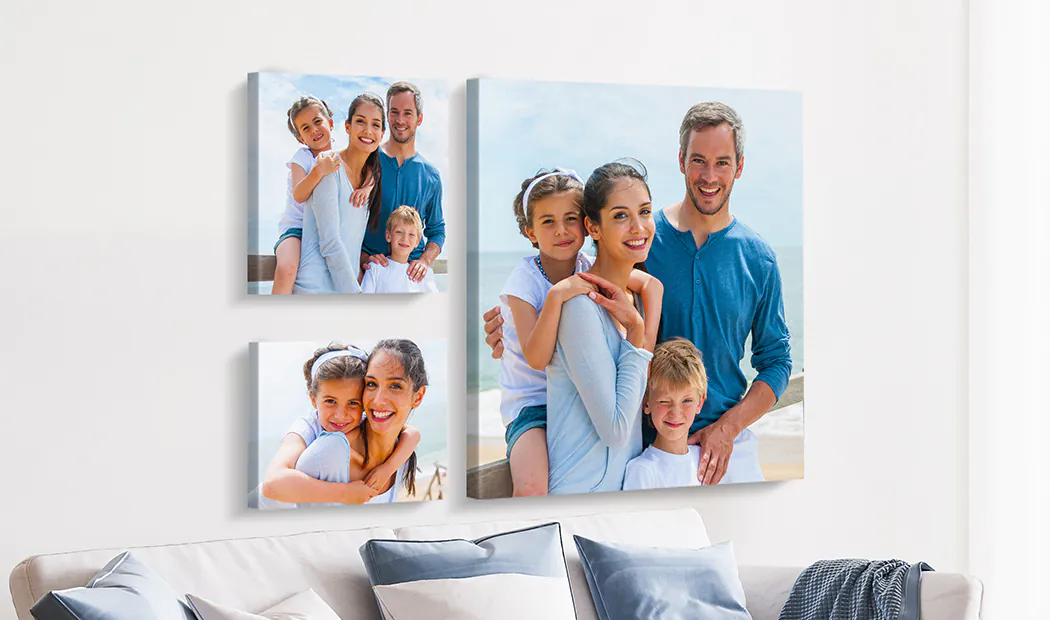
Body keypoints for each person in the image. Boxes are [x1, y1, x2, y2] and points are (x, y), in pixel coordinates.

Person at [645, 101, 791, 485]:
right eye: (698, 160)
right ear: (680, 161)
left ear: (739, 166)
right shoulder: (643, 241)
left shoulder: (759, 259)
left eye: (722, 162)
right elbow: (585, 292)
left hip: (730, 452)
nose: (709, 176)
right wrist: (510, 324)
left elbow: (776, 362)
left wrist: (727, 428)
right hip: (651, 450)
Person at [498, 168, 662, 497]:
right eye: (547, 222)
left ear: (585, 225)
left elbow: (650, 284)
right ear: (530, 231)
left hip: (569, 400)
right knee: (531, 487)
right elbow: (536, 358)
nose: (562, 231)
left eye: (570, 218)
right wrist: (557, 296)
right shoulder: (525, 282)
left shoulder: (586, 267)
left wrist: (642, 340)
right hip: (530, 403)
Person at [545, 160, 656, 495]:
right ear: (593, 228)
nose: (638, 227)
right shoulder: (581, 307)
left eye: (645, 212)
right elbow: (615, 430)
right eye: (621, 216)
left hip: (618, 500)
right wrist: (636, 332)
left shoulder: (629, 299)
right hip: (581, 499)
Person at [257, 344, 419, 508]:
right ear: (313, 399)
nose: (341, 415)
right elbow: (272, 485)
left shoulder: (362, 421)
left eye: (353, 403)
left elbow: (412, 433)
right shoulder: (306, 427)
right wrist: (345, 492)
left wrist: (387, 468)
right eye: (330, 401)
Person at [623, 338, 762, 491]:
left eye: (687, 400)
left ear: (700, 403)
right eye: (664, 401)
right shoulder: (642, 470)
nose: (675, 412)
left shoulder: (705, 462)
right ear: (647, 402)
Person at [294, 93, 385, 294]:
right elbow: (330, 242)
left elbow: (350, 239)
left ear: (382, 133)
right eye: (360, 121)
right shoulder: (329, 163)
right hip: (315, 289)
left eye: (376, 125)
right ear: (347, 126)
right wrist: (356, 293)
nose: (368, 131)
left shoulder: (369, 180)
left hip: (345, 290)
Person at [361, 82, 445, 283]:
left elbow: (437, 230)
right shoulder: (367, 161)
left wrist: (424, 261)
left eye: (408, 113)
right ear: (387, 116)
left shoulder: (431, 176)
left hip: (410, 280)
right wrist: (362, 258)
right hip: (368, 273)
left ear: (419, 118)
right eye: (394, 112)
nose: (400, 120)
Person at [361, 206, 439, 293]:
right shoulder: (375, 268)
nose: (405, 239)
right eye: (399, 232)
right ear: (388, 235)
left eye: (411, 234)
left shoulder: (424, 274)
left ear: (417, 241)